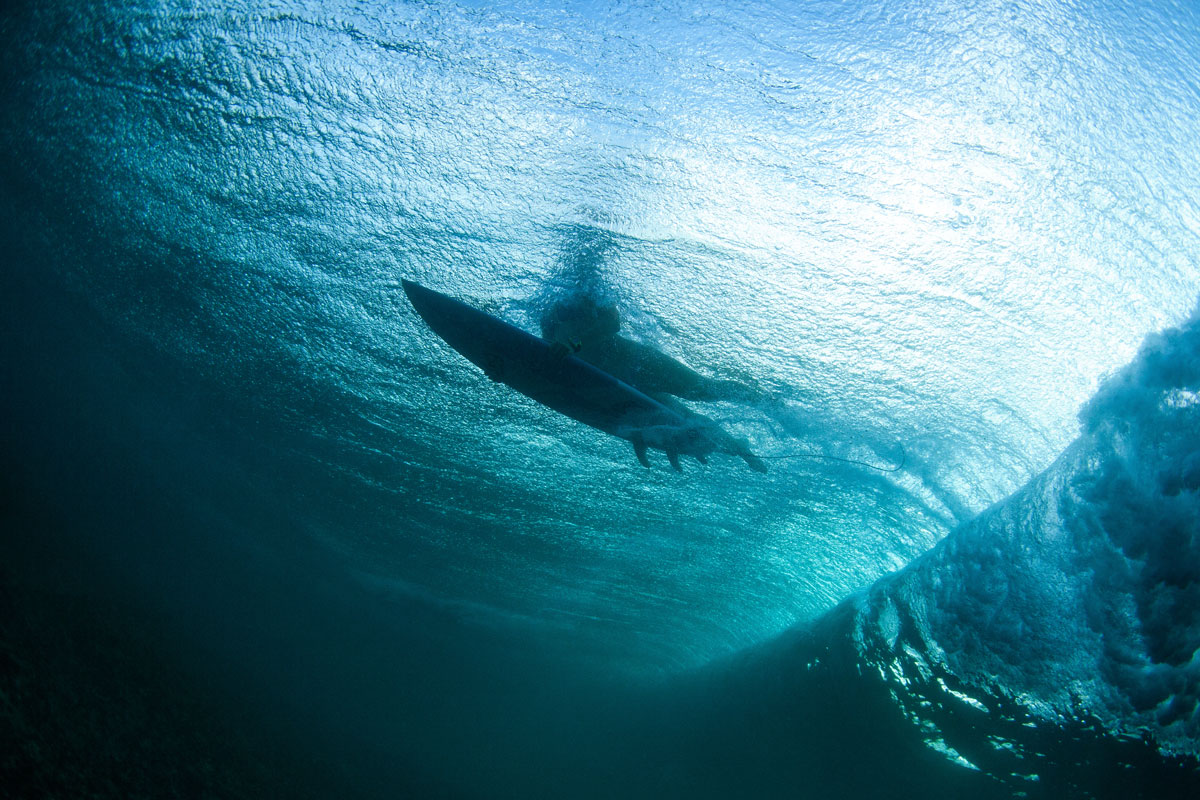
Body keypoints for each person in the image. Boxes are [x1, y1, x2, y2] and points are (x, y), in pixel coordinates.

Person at [540, 293, 770, 472]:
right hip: (615, 382)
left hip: (637, 362)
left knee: (701, 389)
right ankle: (739, 448)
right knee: (681, 419)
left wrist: (574, 343)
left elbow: (612, 323)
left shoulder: (587, 289)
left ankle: (770, 403)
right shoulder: (550, 312)